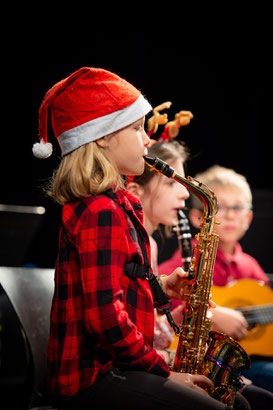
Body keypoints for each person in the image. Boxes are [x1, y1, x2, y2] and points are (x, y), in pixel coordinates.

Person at [32, 67, 247, 410]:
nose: (147, 140)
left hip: (115, 369)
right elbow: (104, 317)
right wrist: (163, 370)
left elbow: (115, 284)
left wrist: (162, 286)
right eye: (135, 128)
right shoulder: (100, 210)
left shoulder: (117, 204)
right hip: (93, 379)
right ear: (101, 137)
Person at [127, 139, 273, 408]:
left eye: (238, 208)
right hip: (141, 366)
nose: (184, 194)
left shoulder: (152, 245)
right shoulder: (130, 242)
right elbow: (127, 326)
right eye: (173, 183)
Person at [158, 165, 273, 394]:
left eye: (237, 207)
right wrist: (214, 315)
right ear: (199, 217)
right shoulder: (183, 262)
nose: (230, 214)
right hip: (202, 363)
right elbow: (157, 307)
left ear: (248, 218)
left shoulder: (251, 267)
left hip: (244, 361)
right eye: (222, 207)